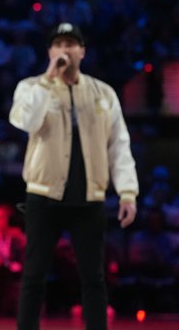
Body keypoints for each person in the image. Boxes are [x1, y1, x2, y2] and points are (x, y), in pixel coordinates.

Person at [10, 22, 138, 330]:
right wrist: (48, 79)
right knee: (34, 275)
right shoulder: (31, 87)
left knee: (93, 278)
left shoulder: (103, 93)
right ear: (50, 52)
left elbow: (119, 144)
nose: (65, 50)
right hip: (44, 196)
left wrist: (128, 193)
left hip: (89, 198)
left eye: (71, 44)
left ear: (82, 51)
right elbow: (25, 121)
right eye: (58, 45)